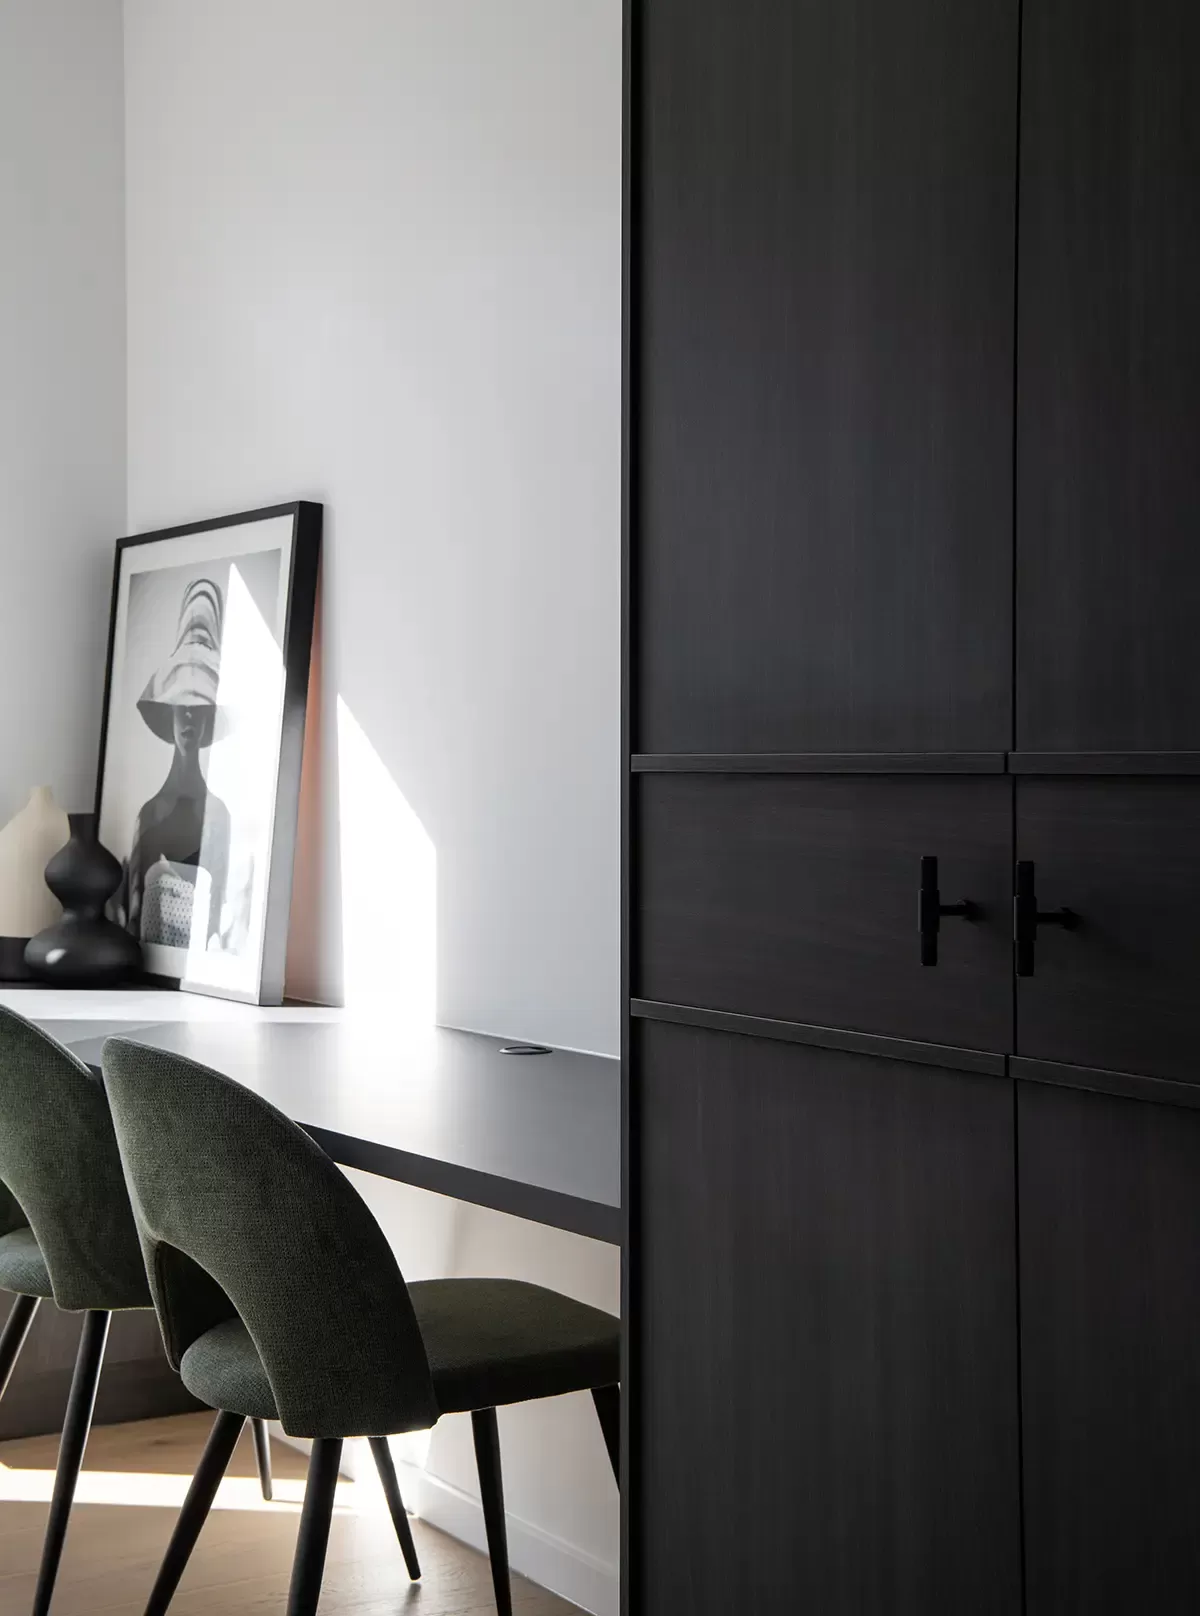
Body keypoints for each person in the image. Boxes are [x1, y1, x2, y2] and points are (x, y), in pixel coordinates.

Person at [124, 578, 231, 950]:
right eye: (182, 707)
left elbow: (218, 925)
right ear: (168, 714)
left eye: (199, 709)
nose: (189, 718)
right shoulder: (149, 816)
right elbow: (131, 920)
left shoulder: (218, 818)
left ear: (208, 721)